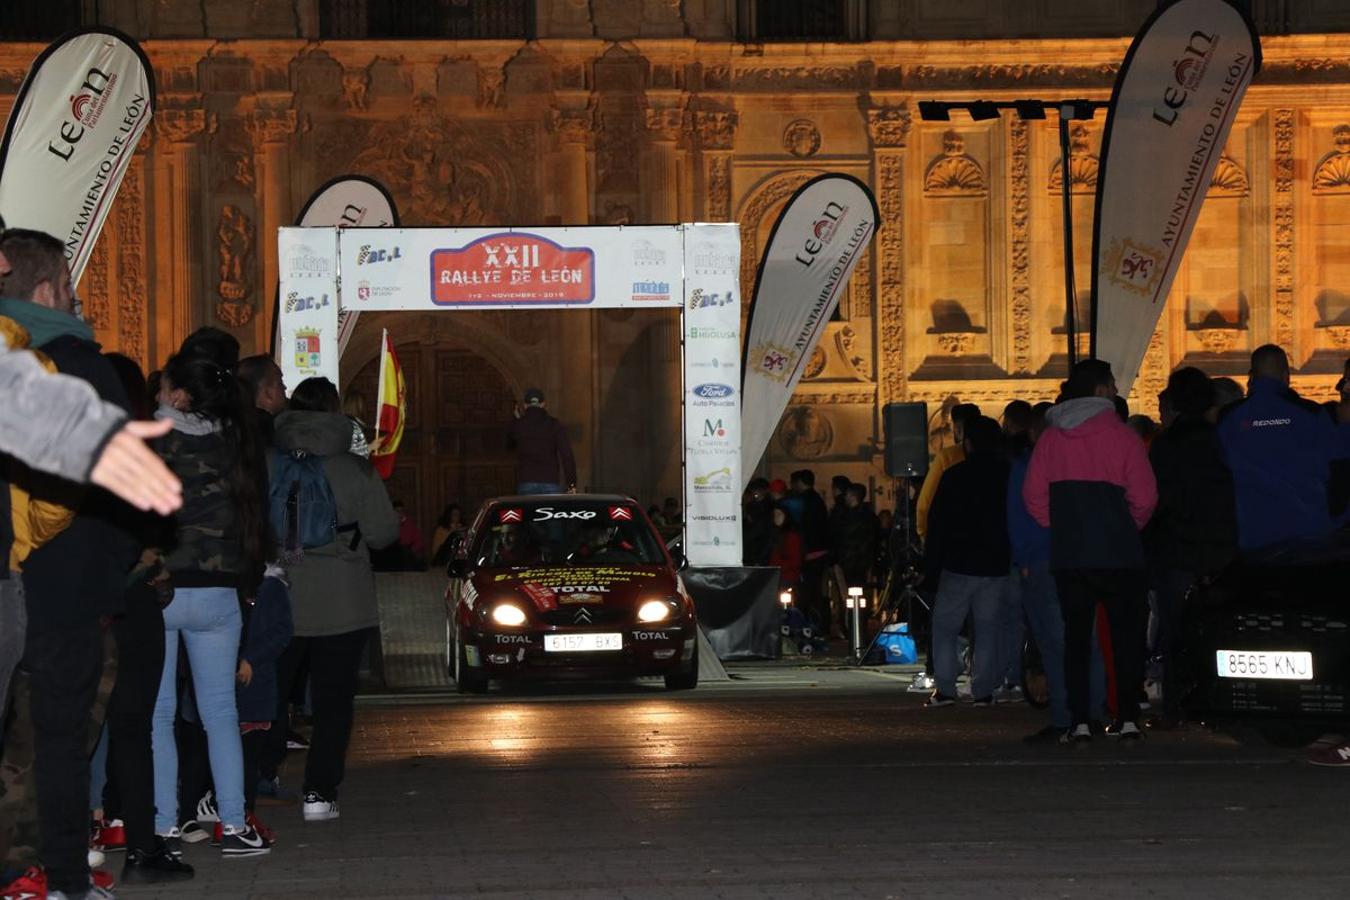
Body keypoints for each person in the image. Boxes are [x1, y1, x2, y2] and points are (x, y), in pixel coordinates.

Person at [0, 229, 145, 896]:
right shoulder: (86, 368)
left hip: (19, 574)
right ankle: (62, 877)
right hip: (65, 582)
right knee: (60, 740)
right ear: (47, 290)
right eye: (69, 285)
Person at [150, 352, 273, 858]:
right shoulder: (233, 442)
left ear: (177, 394)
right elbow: (252, 515)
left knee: (157, 714)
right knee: (220, 712)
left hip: (161, 588)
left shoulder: (150, 438)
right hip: (219, 589)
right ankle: (235, 823)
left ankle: (162, 826)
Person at [272, 377, 398, 823]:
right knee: (333, 703)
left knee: (270, 695)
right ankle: (319, 794)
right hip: (344, 604)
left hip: (280, 598)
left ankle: (251, 779)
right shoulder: (355, 469)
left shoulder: (269, 462)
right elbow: (384, 534)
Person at [1024, 359, 1157, 743]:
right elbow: (1146, 497)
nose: (1117, 390)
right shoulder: (1124, 437)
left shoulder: (1050, 439)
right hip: (1120, 554)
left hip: (1071, 555)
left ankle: (1081, 721)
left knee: (1076, 639)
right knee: (1125, 638)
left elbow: (1033, 497)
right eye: (1113, 384)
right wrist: (1127, 526)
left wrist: (1064, 527)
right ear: (1101, 391)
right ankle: (1129, 719)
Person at [1146, 367, 1237, 726]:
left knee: (1174, 632)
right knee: (1216, 629)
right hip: (1219, 548)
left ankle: (1175, 706)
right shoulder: (1220, 439)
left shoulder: (1167, 445)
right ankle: (1217, 702)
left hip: (1176, 550)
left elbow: (1157, 499)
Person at [1217, 344, 1342, 552]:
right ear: (1286, 376)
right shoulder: (1313, 414)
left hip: (1252, 536)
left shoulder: (1229, 418)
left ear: (1252, 376)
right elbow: (1335, 469)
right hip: (1311, 534)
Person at [924, 416, 1011, 707]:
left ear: (968, 444)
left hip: (959, 563)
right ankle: (983, 690)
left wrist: (932, 566)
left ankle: (946, 688)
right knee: (988, 628)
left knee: (945, 627)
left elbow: (938, 524)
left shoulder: (955, 475)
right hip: (996, 563)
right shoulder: (1008, 474)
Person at [916, 403, 981, 541]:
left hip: (954, 536)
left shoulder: (947, 456)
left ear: (957, 428)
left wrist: (924, 535)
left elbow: (925, 502)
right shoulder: (998, 454)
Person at [507, 388, 576, 495]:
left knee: (529, 512)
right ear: (543, 404)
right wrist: (571, 483)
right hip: (550, 480)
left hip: (526, 480)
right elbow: (567, 455)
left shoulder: (518, 425)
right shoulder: (554, 424)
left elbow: (509, 446)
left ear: (525, 405)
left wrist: (516, 420)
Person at [789, 470, 831, 634]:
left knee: (810, 593)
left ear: (799, 482)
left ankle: (811, 626)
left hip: (811, 554)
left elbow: (807, 529)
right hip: (817, 553)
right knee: (814, 592)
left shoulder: (806, 502)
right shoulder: (816, 501)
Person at [236, 354, 287, 444]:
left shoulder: (231, 427)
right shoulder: (275, 434)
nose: (284, 387)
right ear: (268, 392)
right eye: (280, 382)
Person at [767, 505, 803, 594]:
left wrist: (778, 567)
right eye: (775, 515)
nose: (777, 518)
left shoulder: (791, 535)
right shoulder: (773, 533)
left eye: (779, 514)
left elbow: (795, 560)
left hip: (787, 577)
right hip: (775, 577)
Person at [741, 479, 775, 567]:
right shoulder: (754, 506)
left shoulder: (766, 507)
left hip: (758, 549)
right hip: (754, 549)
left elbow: (763, 533)